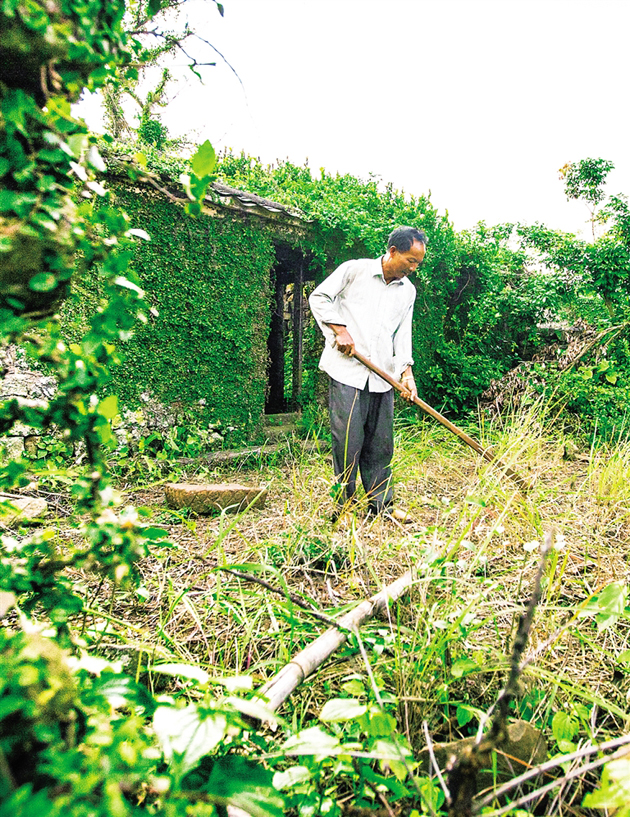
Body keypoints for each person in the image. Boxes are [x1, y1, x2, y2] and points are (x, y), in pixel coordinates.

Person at [309, 226, 426, 522]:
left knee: (381, 443)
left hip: (383, 375)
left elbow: (402, 334)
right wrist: (339, 329)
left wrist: (406, 374)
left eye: (418, 263)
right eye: (410, 261)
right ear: (393, 251)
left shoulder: (408, 291)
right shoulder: (354, 270)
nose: (413, 268)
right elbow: (319, 297)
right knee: (348, 442)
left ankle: (381, 505)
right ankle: (344, 507)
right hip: (347, 371)